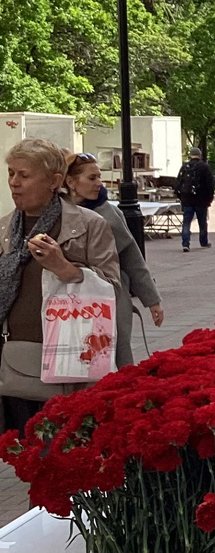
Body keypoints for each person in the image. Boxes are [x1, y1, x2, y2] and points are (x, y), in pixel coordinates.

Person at [1, 139, 121, 428]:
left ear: (54, 181)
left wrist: (66, 269)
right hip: (14, 359)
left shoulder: (89, 225)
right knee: (27, 452)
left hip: (72, 360)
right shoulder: (4, 227)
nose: (14, 183)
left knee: (67, 449)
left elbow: (113, 288)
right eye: (11, 174)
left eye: (24, 175)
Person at [62, 151, 163, 369]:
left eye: (99, 176)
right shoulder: (56, 213)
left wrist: (152, 300)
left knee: (117, 353)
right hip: (67, 302)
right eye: (92, 178)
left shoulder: (108, 212)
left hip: (112, 296)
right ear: (70, 182)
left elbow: (132, 257)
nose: (99, 183)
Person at [176, 146, 215, 252]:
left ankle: (185, 243)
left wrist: (181, 197)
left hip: (187, 199)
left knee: (186, 222)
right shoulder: (205, 167)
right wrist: (209, 198)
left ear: (191, 155)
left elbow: (178, 183)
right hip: (201, 199)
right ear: (200, 155)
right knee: (202, 222)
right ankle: (203, 241)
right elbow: (210, 184)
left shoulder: (185, 167)